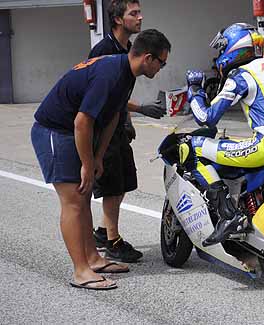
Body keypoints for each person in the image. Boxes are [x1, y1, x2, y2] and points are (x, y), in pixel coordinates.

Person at [31, 29, 171, 289]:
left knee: (83, 197)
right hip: (54, 131)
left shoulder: (127, 73)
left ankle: (94, 259)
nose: (161, 68)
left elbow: (114, 116)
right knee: (73, 201)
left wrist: (97, 158)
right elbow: (82, 122)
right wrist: (86, 164)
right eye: (161, 62)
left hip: (73, 132)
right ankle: (81, 271)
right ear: (148, 58)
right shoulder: (110, 74)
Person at [184, 23, 264, 246]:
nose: (219, 55)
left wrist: (194, 90)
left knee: (194, 147)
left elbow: (206, 117)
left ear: (234, 48)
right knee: (231, 144)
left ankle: (229, 215)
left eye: (222, 49)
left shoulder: (241, 75)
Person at [89, 0, 166, 263]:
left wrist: (128, 119)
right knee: (111, 184)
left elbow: (121, 93)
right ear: (119, 19)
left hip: (118, 124)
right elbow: (100, 95)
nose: (140, 17)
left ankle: (102, 231)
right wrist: (142, 108)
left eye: (140, 12)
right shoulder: (104, 50)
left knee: (122, 182)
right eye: (134, 13)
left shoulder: (130, 48)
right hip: (103, 125)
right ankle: (113, 241)